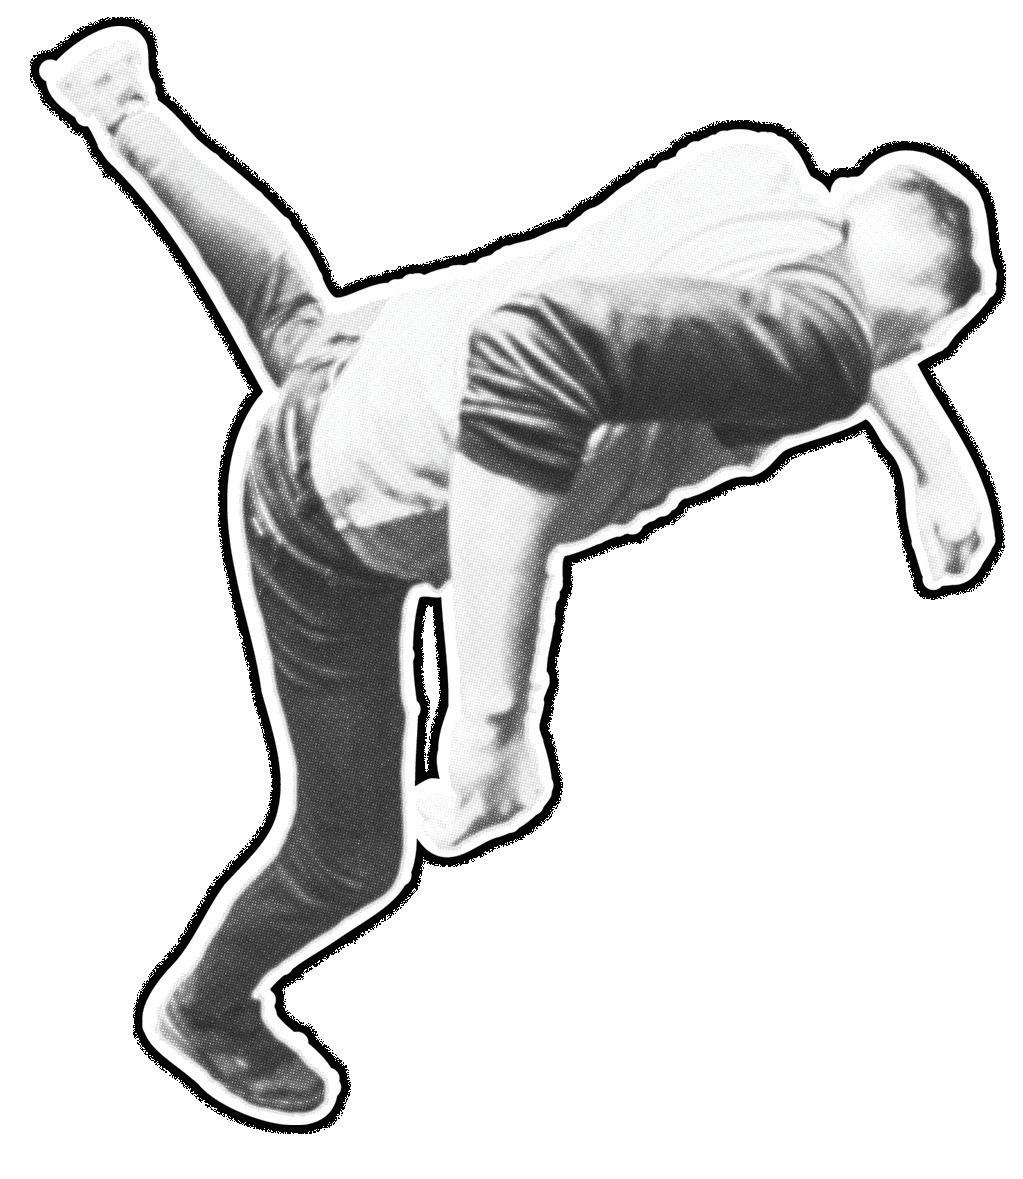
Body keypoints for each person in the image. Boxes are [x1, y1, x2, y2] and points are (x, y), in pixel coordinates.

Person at [40, 28, 995, 1124]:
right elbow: (537, 356)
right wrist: (491, 722)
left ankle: (120, 105)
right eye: (890, 354)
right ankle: (202, 1011)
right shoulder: (820, 347)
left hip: (378, 358)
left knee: (300, 329)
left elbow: (843, 320)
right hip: (325, 511)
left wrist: (933, 459)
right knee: (352, 856)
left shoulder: (764, 171)